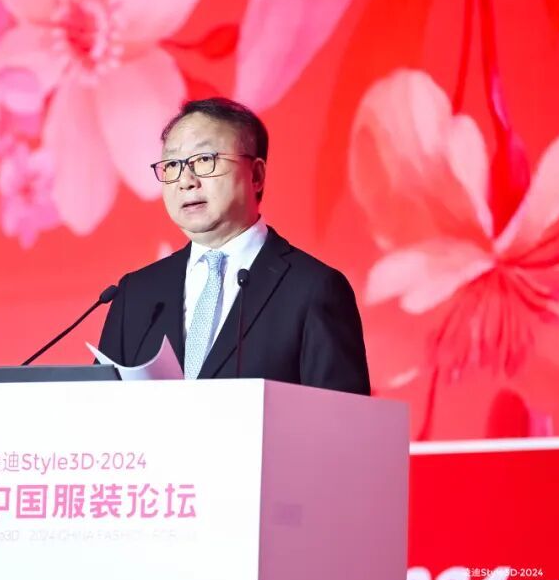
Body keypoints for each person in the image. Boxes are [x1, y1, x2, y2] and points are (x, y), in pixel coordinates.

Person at [97, 97, 370, 395]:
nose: (185, 181)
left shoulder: (313, 289)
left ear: (256, 175)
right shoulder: (135, 294)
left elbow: (342, 417)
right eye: (172, 165)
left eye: (205, 160)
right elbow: (96, 410)